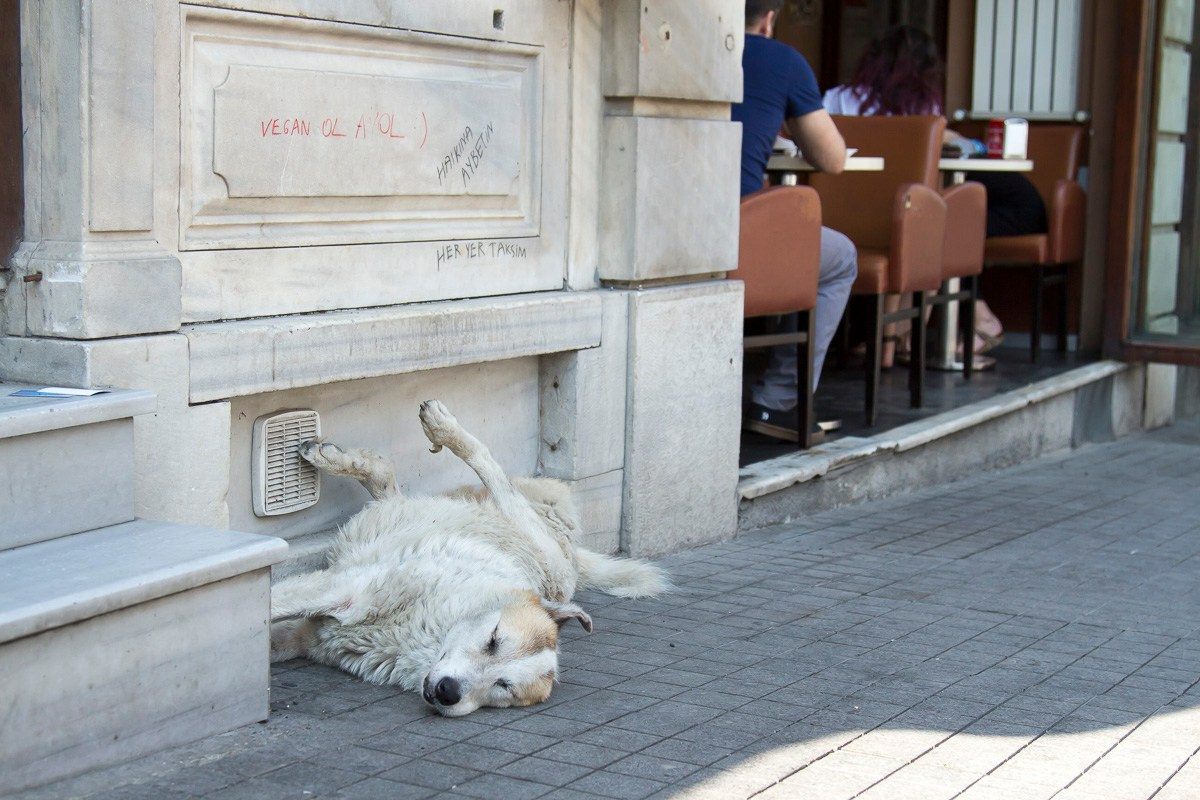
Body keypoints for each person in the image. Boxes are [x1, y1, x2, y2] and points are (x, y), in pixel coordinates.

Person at [823, 24, 1047, 357]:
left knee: (943, 231)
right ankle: (923, 332)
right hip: (1016, 207)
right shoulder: (921, 106)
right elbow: (938, 144)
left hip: (859, 215)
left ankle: (899, 336)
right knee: (940, 231)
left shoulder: (836, 99)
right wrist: (967, 142)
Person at [733, 0, 858, 441]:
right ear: (768, 18)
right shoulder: (783, 60)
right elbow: (832, 158)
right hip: (736, 239)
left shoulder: (690, 49)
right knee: (841, 257)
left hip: (668, 224)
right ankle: (775, 402)